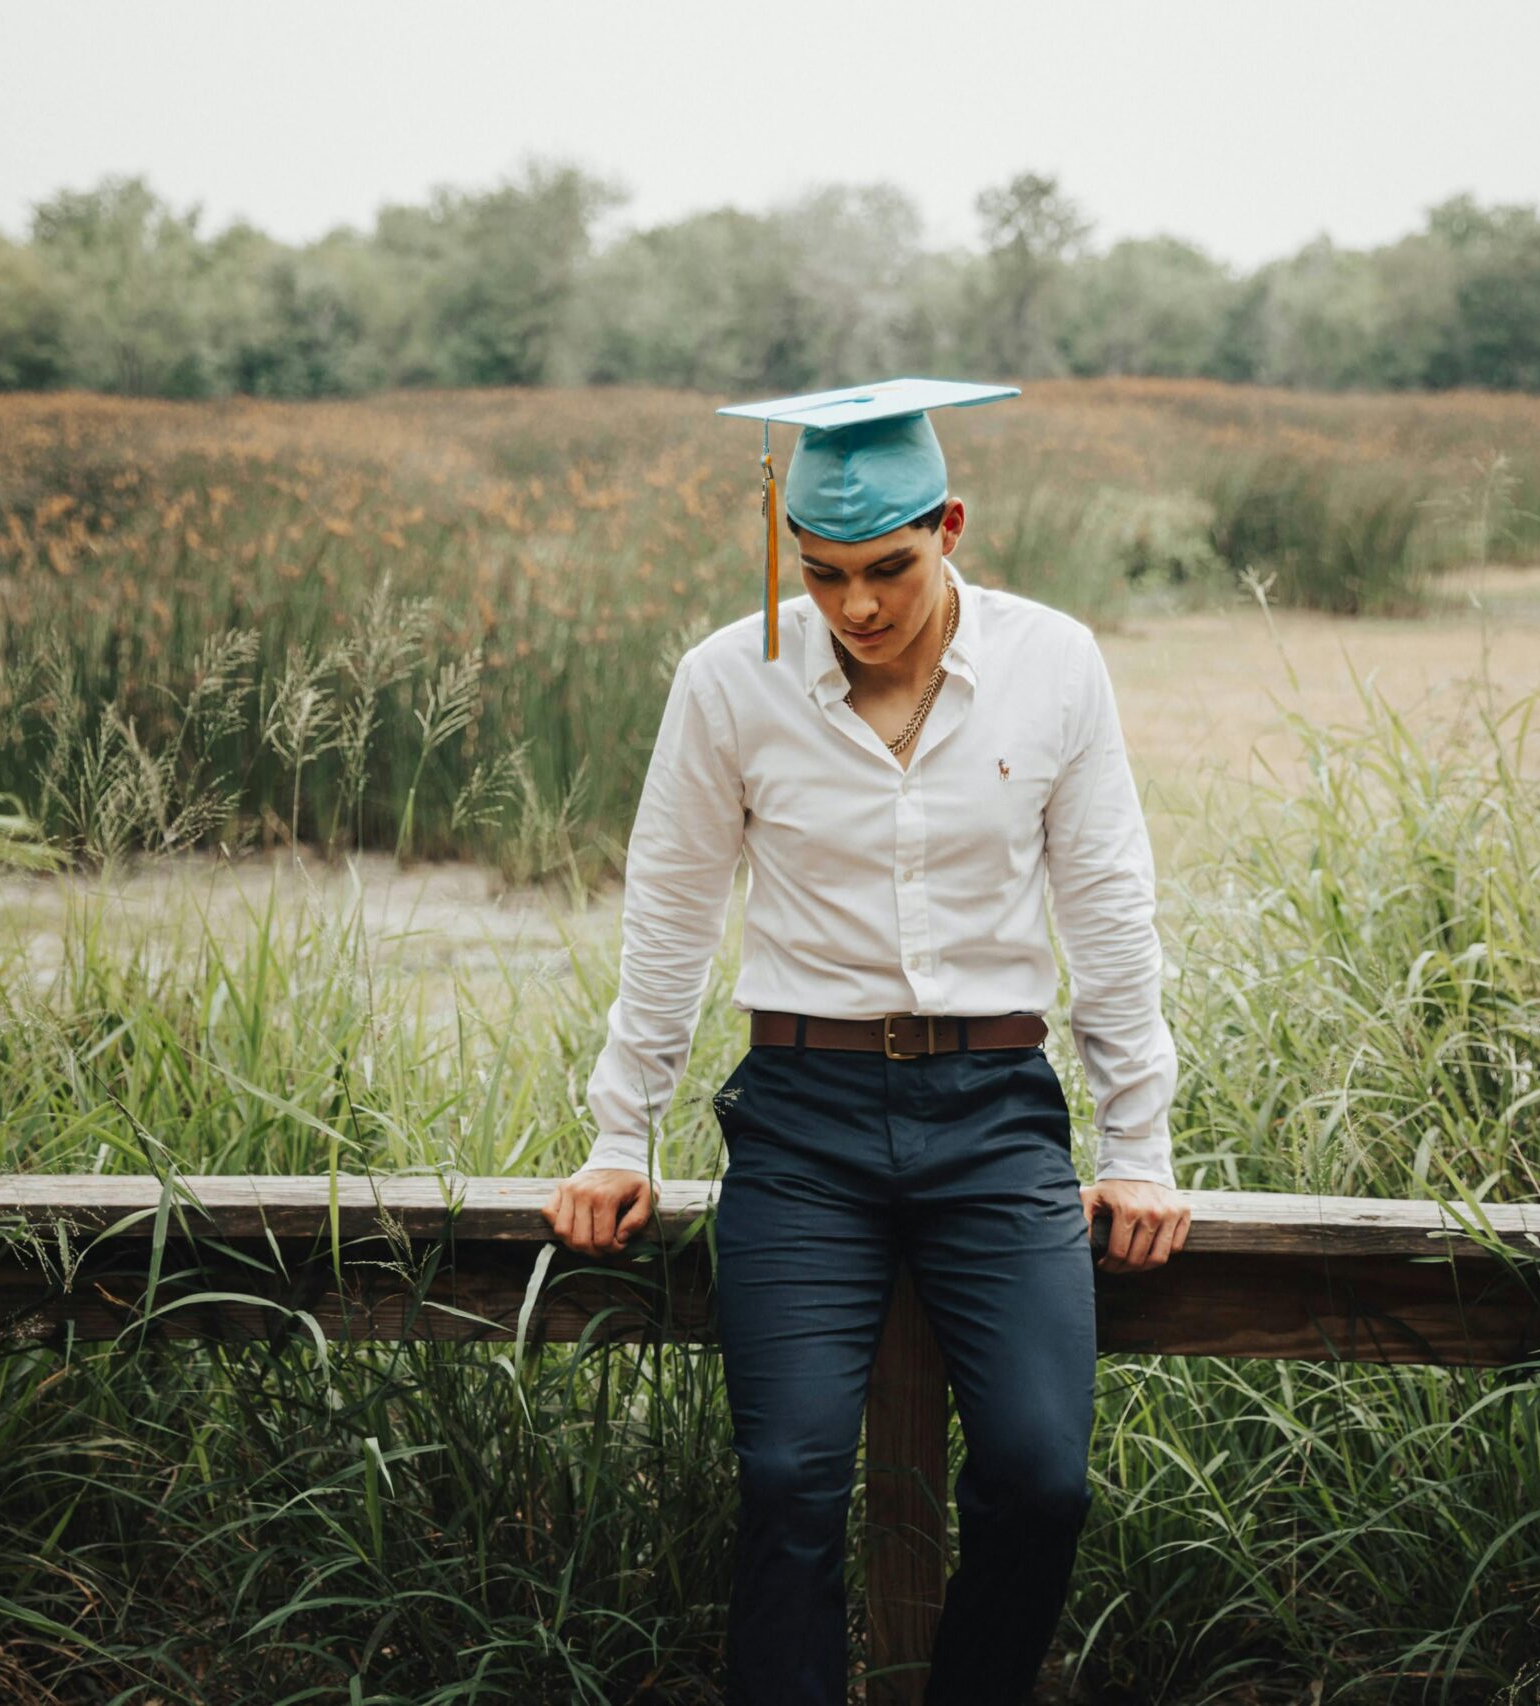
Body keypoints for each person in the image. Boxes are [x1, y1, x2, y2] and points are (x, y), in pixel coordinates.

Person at [540, 377, 1189, 1704]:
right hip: (802, 1116)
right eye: (823, 574)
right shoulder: (727, 680)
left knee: (1041, 1475)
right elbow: (669, 910)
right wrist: (621, 1133)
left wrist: (1139, 1143)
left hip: (996, 1110)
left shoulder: (1055, 663)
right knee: (784, 1480)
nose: (858, 608)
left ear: (952, 523)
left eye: (888, 568)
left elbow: (1109, 904)